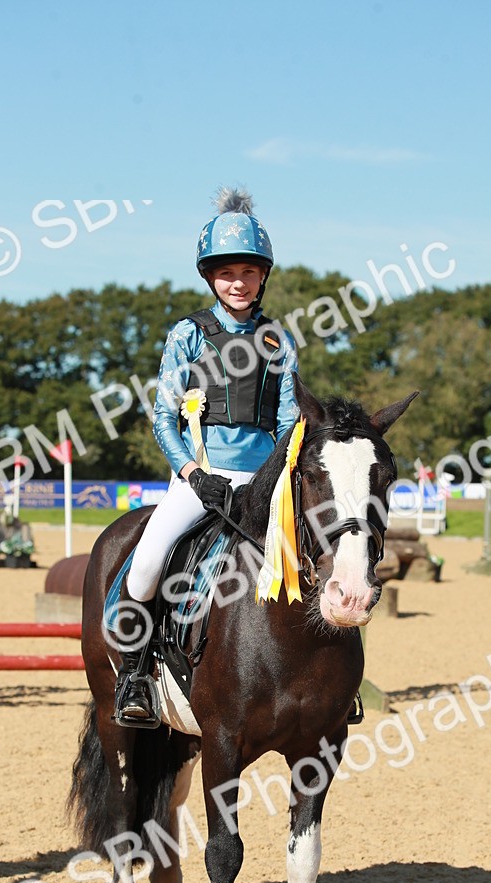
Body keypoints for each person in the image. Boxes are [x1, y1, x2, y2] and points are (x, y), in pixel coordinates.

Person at [113, 187, 300, 727]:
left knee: (323, 553)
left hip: (265, 481)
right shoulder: (187, 335)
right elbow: (162, 418)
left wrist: (271, 478)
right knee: (147, 561)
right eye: (225, 273)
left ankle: (335, 681)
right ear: (209, 277)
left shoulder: (278, 341)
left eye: (247, 272)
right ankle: (135, 673)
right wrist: (195, 475)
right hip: (200, 477)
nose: (236, 282)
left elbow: (288, 421)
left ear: (263, 275)